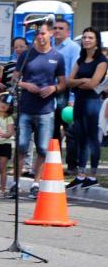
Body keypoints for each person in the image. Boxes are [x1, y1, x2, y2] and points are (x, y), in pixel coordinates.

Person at [14, 21, 67, 198]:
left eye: (43, 33)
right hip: (26, 107)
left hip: (46, 110)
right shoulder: (26, 54)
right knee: (21, 146)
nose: (40, 36)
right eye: (37, 34)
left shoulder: (57, 57)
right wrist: (26, 85)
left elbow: (63, 83)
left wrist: (53, 88)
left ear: (50, 33)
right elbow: (14, 80)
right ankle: (16, 182)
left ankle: (36, 183)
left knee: (43, 148)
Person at [66, 27, 107, 188]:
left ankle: (93, 176)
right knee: (80, 139)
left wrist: (80, 81)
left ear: (96, 41)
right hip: (79, 101)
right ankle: (81, 175)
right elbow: (69, 81)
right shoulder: (80, 59)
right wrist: (82, 80)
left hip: (92, 103)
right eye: (84, 37)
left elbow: (93, 84)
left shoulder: (102, 61)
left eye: (90, 37)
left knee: (92, 140)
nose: (86, 40)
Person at [52, 19, 81, 172]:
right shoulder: (50, 47)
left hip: (67, 93)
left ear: (67, 31)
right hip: (52, 92)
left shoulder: (73, 48)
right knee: (53, 131)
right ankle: (54, 165)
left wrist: (72, 99)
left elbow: (74, 75)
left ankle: (72, 166)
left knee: (70, 131)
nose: (57, 30)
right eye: (55, 28)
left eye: (61, 28)